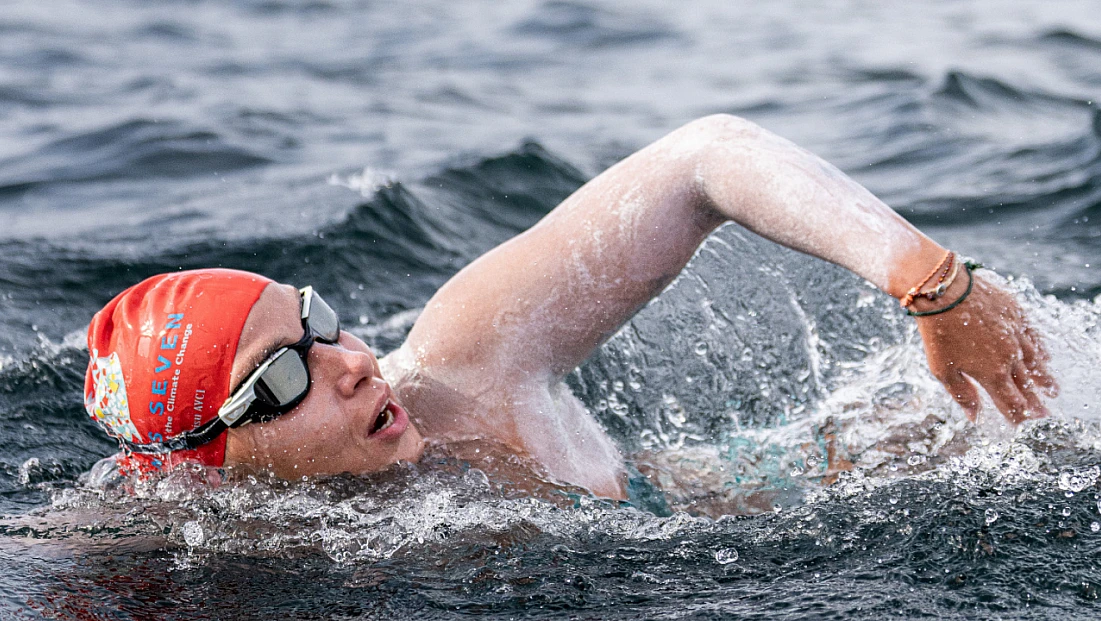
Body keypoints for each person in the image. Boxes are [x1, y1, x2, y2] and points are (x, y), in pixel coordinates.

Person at [84, 115, 1057, 500]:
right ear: (208, 459)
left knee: (1046, 419)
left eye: (319, 318)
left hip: (758, 505)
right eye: (286, 375)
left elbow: (704, 159)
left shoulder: (464, 367)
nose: (352, 360)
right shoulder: (197, 538)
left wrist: (933, 284)